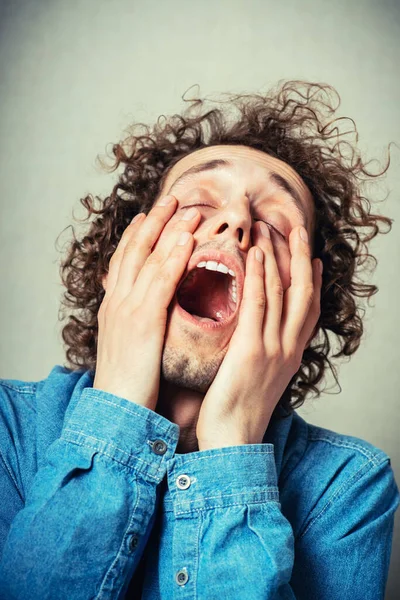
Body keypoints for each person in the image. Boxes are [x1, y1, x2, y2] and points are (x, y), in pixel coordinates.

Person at [0, 80, 398, 599]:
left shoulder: (348, 489)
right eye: (197, 203)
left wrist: (233, 442)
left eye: (276, 226)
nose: (238, 220)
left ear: (305, 305)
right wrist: (117, 405)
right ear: (123, 258)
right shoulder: (10, 430)